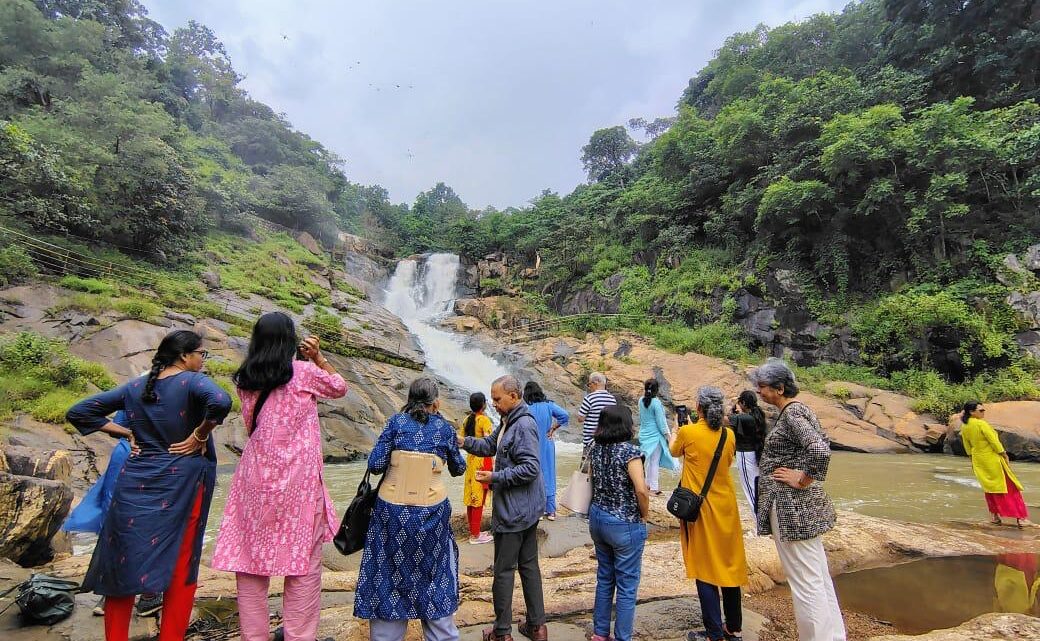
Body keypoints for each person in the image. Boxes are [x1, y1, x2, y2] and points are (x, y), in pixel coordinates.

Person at [66, 330, 232, 641]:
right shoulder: (193, 382)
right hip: (182, 482)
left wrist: (124, 433)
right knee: (181, 562)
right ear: (185, 356)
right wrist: (199, 435)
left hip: (135, 480)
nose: (202, 360)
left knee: (123, 562)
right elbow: (221, 401)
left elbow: (80, 411)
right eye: (201, 354)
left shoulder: (137, 386)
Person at [211, 313, 348, 641]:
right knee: (302, 566)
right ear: (290, 340)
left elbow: (251, 427)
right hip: (298, 485)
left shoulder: (245, 377)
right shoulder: (302, 372)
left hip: (255, 481)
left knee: (250, 564)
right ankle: (299, 636)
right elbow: (339, 387)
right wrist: (317, 357)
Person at [354, 377, 467, 641]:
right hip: (431, 516)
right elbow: (458, 468)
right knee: (435, 576)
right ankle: (442, 634)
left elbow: (376, 464)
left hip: (391, 518)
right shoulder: (444, 428)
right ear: (435, 402)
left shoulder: (395, 422)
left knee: (388, 576)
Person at [750, 359, 846, 641]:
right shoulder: (800, 410)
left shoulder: (792, 415)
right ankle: (833, 636)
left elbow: (819, 450)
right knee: (817, 575)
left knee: (805, 582)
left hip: (791, 508)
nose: (759, 392)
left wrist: (802, 478)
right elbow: (823, 442)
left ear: (779, 388)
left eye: (763, 387)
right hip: (801, 508)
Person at [460, 375, 547, 641]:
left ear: (513, 395)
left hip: (515, 511)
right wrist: (463, 441)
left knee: (504, 571)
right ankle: (536, 627)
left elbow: (530, 468)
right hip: (526, 509)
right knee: (529, 566)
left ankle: (502, 632)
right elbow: (489, 446)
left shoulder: (523, 425)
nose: (493, 404)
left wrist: (495, 478)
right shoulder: (508, 420)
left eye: (497, 399)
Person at [62, 409, 163, 618]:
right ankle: (148, 594)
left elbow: (114, 427)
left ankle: (111, 594)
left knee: (116, 523)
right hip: (151, 460)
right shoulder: (178, 388)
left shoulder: (135, 389)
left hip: (126, 456)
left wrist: (129, 434)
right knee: (149, 525)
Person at [668, 387, 748, 641]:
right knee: (730, 565)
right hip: (726, 507)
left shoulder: (688, 432)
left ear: (699, 408)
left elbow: (673, 451)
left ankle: (714, 632)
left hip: (700, 510)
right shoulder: (729, 435)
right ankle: (733, 626)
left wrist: (675, 429)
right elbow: (726, 463)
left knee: (704, 568)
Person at [587, 404, 650, 641]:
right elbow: (641, 491)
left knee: (605, 577)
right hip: (624, 522)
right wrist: (644, 515)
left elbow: (592, 480)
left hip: (598, 517)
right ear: (625, 425)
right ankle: (623, 636)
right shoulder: (629, 452)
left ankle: (600, 633)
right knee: (627, 584)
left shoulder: (594, 447)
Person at [960, 401, 1031, 528]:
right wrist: (1003, 453)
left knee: (989, 488)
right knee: (1009, 487)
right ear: (972, 412)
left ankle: (994, 517)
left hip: (978, 460)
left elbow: (967, 446)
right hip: (992, 459)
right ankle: (1021, 519)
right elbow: (993, 441)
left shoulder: (965, 426)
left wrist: (972, 459)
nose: (983, 412)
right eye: (981, 410)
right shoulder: (981, 424)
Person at [523, 381, 570, 520]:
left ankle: (537, 511)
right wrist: (553, 428)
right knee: (549, 475)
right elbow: (565, 415)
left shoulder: (526, 408)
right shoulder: (549, 405)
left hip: (530, 445)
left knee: (532, 475)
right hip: (547, 444)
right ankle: (551, 511)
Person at [460, 391, 495, 544]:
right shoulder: (484, 420)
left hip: (470, 459)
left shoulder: (467, 420)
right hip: (482, 460)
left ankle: (473, 531)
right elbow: (490, 441)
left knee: (471, 497)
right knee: (479, 498)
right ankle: (476, 536)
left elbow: (461, 440)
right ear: (483, 405)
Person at [728, 391, 768, 510]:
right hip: (755, 454)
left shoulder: (744, 418)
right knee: (756, 488)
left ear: (743, 403)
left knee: (750, 491)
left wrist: (733, 404)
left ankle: (759, 524)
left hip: (745, 456)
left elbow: (724, 419)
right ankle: (763, 524)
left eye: (740, 402)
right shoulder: (757, 415)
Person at [638, 379, 676, 495]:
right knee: (654, 462)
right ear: (657, 390)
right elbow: (661, 423)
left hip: (644, 434)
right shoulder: (656, 403)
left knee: (645, 461)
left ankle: (644, 484)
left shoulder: (640, 400)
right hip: (655, 436)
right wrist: (669, 437)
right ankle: (653, 488)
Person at [578, 372, 617, 450]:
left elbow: (580, 419)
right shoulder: (612, 399)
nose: (589, 387)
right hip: (608, 440)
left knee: (588, 462)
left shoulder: (589, 398)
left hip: (591, 441)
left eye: (589, 384)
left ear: (595, 383)